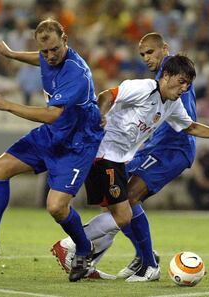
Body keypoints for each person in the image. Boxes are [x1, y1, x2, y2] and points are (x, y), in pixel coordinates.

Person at [52, 53, 209, 282]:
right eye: (181, 81)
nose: (184, 88)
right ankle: (72, 245)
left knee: (117, 213)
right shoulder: (143, 88)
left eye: (188, 83)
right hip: (102, 154)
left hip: (115, 159)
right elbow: (107, 95)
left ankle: (83, 254)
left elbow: (191, 127)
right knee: (123, 214)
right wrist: (101, 115)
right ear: (166, 75)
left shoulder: (173, 104)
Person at [0, 19, 104, 283]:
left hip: (77, 142)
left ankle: (83, 248)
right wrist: (10, 53)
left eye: (54, 49)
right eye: (44, 50)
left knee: (56, 207)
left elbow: (51, 115)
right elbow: (39, 59)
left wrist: (7, 104)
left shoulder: (76, 74)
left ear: (65, 39)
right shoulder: (49, 56)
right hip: (53, 136)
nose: (49, 56)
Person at [52, 32, 197, 281]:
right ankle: (114, 257)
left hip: (170, 150)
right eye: (142, 54)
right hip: (138, 150)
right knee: (115, 202)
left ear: (165, 49)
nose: (146, 58)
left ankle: (141, 260)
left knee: (127, 199)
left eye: (150, 52)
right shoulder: (155, 83)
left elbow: (184, 123)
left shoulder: (175, 78)